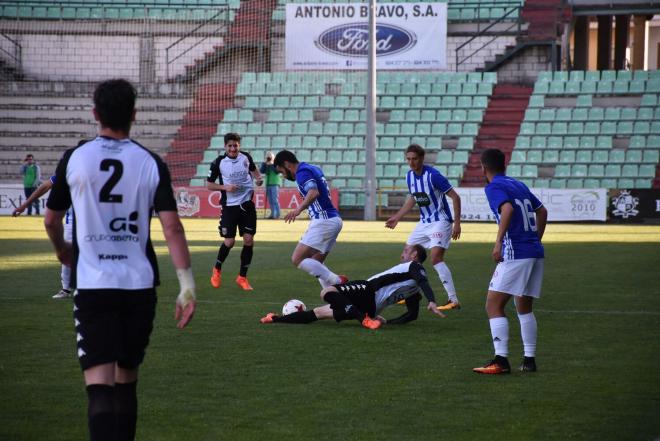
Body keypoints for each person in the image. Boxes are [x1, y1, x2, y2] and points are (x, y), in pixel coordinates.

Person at [44, 79, 196, 441]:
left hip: (93, 285)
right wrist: (187, 286)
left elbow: (51, 219)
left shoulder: (75, 158)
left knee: (99, 387)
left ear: (95, 114)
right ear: (134, 114)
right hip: (138, 286)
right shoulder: (150, 162)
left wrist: (62, 250)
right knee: (126, 382)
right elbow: (172, 228)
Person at [472, 148, 547, 375]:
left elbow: (507, 209)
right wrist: (534, 240)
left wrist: (498, 243)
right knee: (523, 307)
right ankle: (529, 360)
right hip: (534, 251)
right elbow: (542, 211)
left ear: (483, 168)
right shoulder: (518, 185)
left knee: (493, 305)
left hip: (516, 253)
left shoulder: (494, 186)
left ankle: (501, 360)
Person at [260, 244, 445, 328]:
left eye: (406, 251)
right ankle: (274, 319)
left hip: (367, 290)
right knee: (318, 313)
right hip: (372, 309)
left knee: (327, 291)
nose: (402, 254)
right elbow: (412, 315)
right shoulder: (413, 288)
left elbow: (422, 280)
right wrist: (388, 322)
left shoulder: (414, 268)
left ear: (414, 256)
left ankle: (361, 318)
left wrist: (432, 301)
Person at [385, 144, 462, 311]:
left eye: (415, 159)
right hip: (424, 222)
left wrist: (457, 223)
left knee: (435, 258)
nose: (411, 162)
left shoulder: (433, 176)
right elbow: (413, 198)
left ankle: (453, 300)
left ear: (422, 158)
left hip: (440, 221)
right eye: (409, 159)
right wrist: (397, 217)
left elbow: (455, 197)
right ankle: (410, 295)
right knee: (407, 256)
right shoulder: (409, 176)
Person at [273, 150, 346, 288]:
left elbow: (313, 192)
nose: (283, 175)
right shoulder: (312, 168)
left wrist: (297, 210)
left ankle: (338, 282)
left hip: (324, 220)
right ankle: (336, 299)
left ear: (287, 164)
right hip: (334, 219)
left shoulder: (302, 173)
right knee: (316, 263)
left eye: (282, 171)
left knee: (297, 258)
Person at [207, 132, 263, 291]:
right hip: (229, 207)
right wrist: (225, 187)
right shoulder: (219, 162)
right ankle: (217, 270)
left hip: (246, 205)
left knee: (248, 240)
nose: (233, 148)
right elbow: (209, 185)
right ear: (225, 146)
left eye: (235, 145)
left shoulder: (246, 157)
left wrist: (258, 178)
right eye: (230, 146)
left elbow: (254, 170)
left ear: (239, 145)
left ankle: (242, 277)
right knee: (229, 242)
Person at [14, 175, 74, 299]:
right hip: (73, 222)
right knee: (69, 253)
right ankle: (66, 289)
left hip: (93, 221)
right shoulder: (67, 172)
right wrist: (25, 205)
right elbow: (45, 186)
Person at [260, 151, 281, 219]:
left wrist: (271, 164)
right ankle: (273, 214)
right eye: (267, 156)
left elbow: (277, 171)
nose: (268, 157)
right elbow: (262, 171)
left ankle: (277, 214)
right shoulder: (265, 164)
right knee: (270, 200)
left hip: (275, 183)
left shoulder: (276, 164)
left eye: (270, 156)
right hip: (268, 183)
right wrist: (265, 163)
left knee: (275, 199)